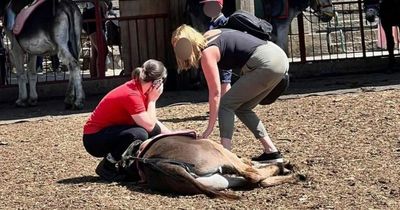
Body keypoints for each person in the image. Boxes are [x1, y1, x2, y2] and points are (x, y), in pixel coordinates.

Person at [171, 25, 289, 163]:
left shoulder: (207, 53)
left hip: (265, 63)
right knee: (242, 107)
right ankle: (271, 152)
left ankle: (226, 155)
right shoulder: (211, 35)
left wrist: (208, 130)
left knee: (225, 104)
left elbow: (215, 93)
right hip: (278, 57)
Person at [82, 59, 171, 181]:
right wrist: (153, 101)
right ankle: (108, 166)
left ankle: (125, 164)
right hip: (94, 139)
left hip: (107, 133)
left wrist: (173, 135)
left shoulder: (140, 89)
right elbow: (149, 126)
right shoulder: (132, 94)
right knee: (140, 133)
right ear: (157, 82)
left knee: (145, 131)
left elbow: (152, 123)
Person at [200, 0, 232, 96]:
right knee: (219, 81)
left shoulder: (224, 21)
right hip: (216, 56)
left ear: (220, 6)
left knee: (225, 81)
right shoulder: (212, 22)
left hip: (223, 55)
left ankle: (226, 105)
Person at [81, 1, 108, 78]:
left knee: (96, 52)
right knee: (102, 50)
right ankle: (100, 77)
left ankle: (95, 78)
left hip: (95, 13)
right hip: (92, 13)